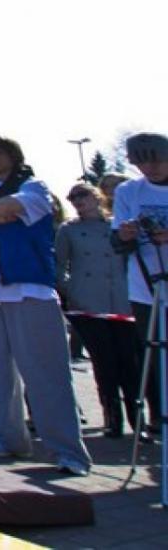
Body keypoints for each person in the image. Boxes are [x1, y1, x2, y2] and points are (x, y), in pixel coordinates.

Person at [0, 136, 92, 476]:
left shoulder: (34, 186)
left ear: (14, 156)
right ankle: (8, 438)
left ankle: (68, 451)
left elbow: (12, 208)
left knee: (46, 374)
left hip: (29, 290)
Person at [58, 181, 136, 437]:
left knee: (129, 361)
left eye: (83, 195)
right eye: (73, 198)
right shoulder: (69, 230)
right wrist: (71, 290)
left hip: (121, 300)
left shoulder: (116, 226)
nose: (78, 201)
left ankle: (137, 419)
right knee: (104, 362)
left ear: (97, 197)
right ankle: (112, 418)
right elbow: (59, 265)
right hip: (88, 303)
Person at [109, 132, 168, 438]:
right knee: (154, 354)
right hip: (146, 287)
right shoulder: (128, 191)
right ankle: (159, 416)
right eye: (142, 163)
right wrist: (125, 235)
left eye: (157, 160)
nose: (150, 168)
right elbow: (116, 241)